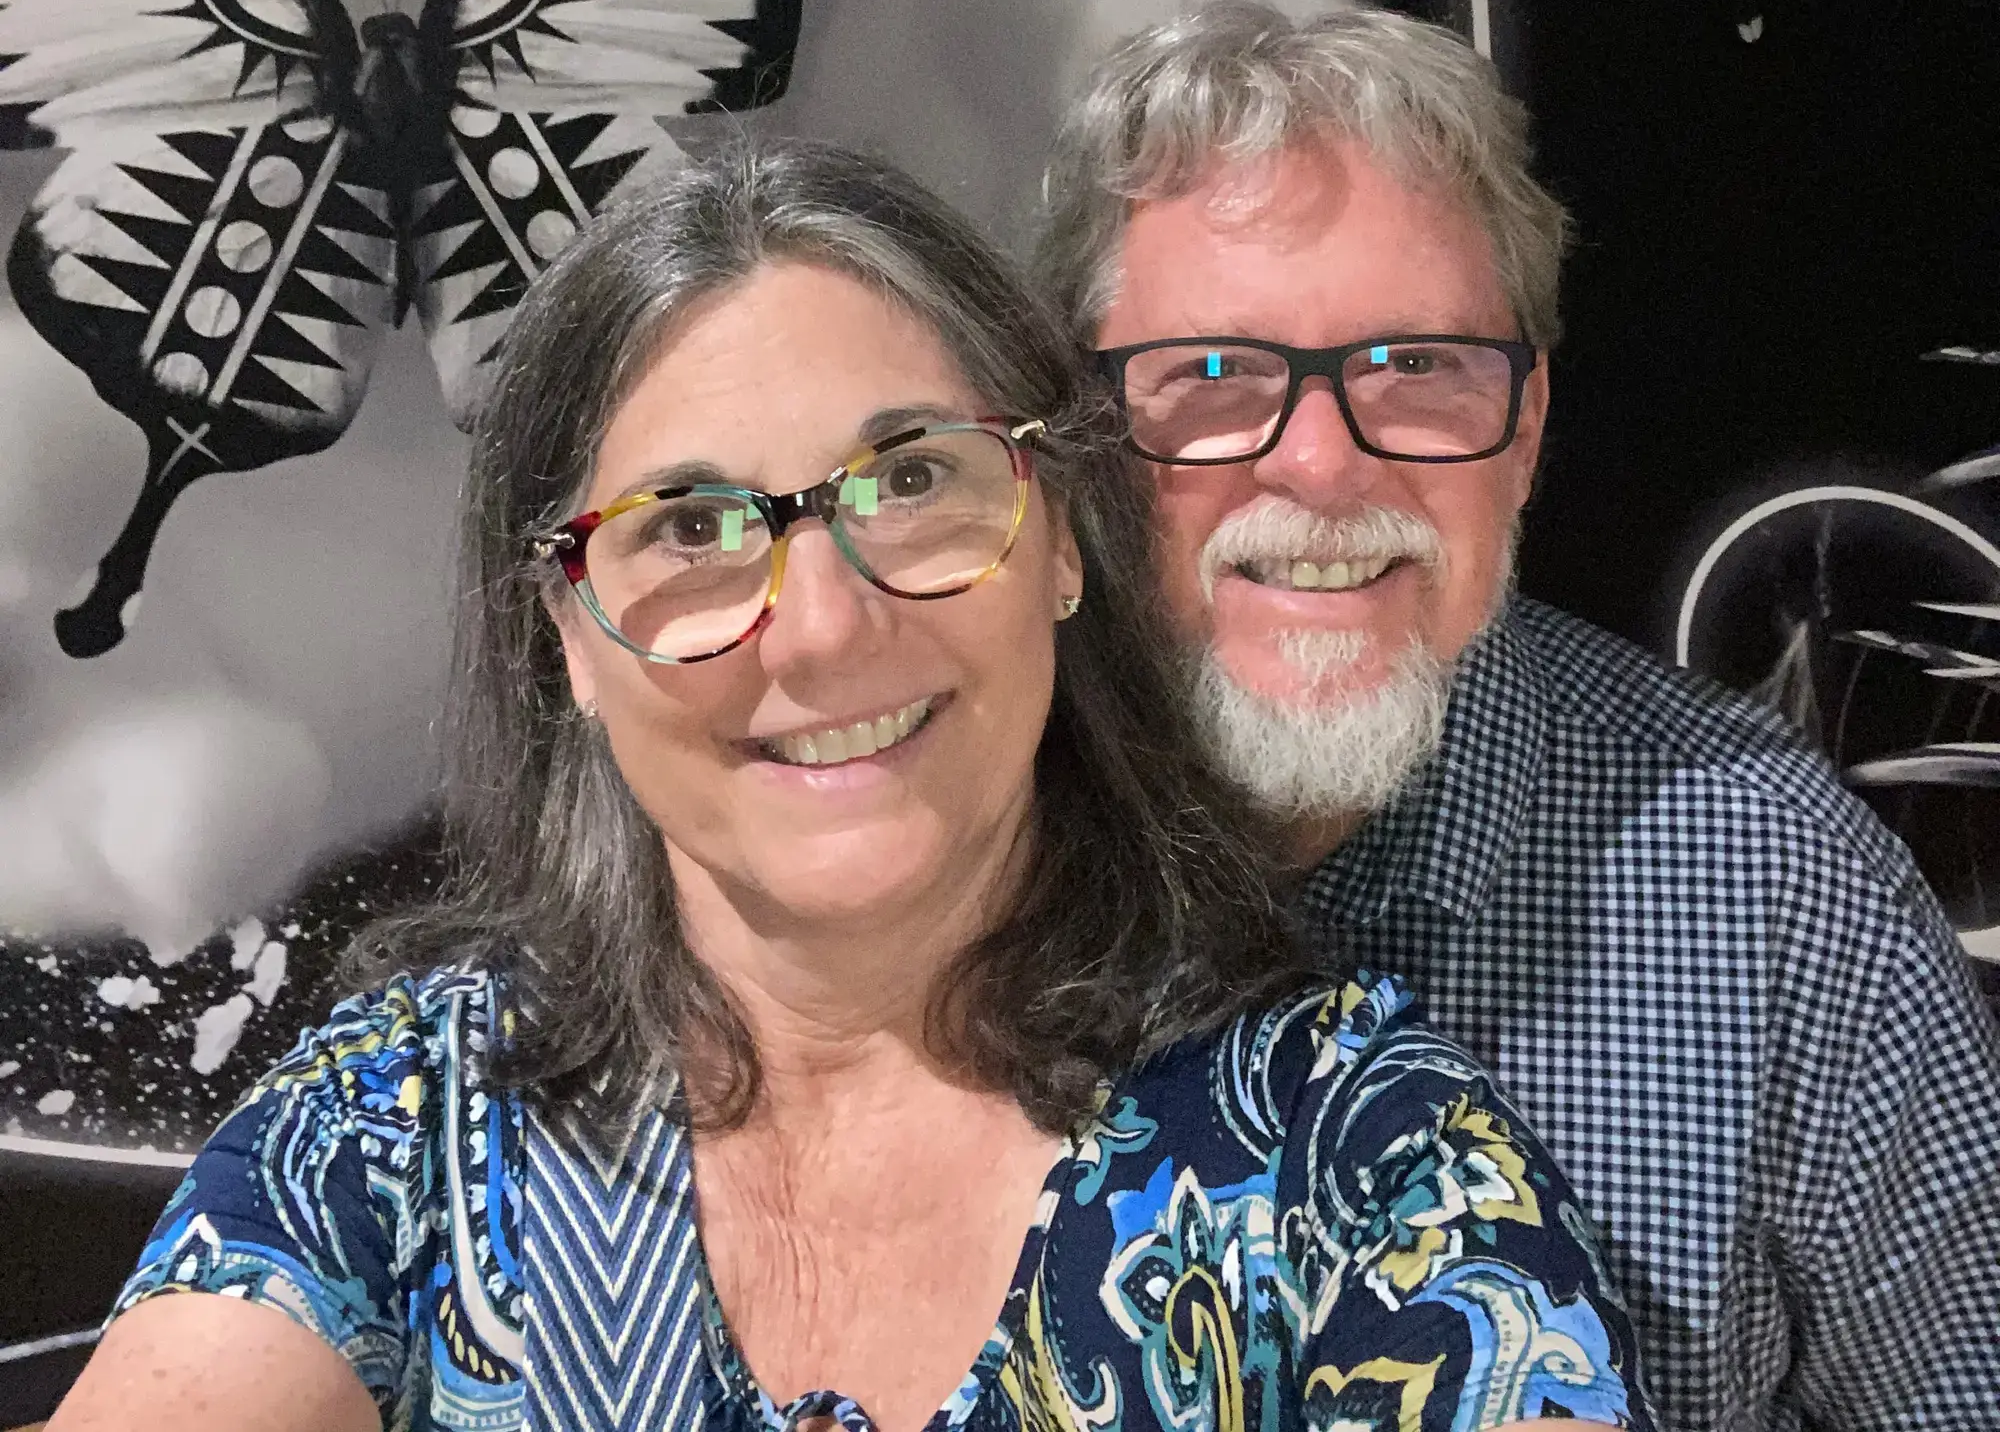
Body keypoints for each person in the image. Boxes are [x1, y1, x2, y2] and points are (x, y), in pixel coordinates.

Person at [46, 141, 1649, 1432]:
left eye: (916, 482)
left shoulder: (1352, 1161)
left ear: (1063, 544)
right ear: (573, 646)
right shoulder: (410, 1124)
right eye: (687, 527)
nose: (824, 627)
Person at [1034, 0, 2000, 1431]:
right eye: (1217, 378)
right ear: (1088, 436)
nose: (1319, 465)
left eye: (1417, 366)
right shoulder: (942, 840)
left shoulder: (1783, 896)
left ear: (1529, 431)